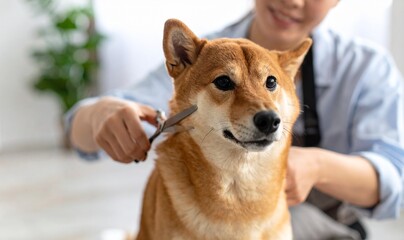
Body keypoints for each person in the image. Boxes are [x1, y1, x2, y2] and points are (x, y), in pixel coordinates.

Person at [65, 0, 404, 239]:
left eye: (271, 84)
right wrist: (100, 113)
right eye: (225, 84)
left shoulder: (367, 67)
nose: (292, 1)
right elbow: (88, 123)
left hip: (327, 227)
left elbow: (394, 179)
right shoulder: (201, 57)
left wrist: (317, 167)